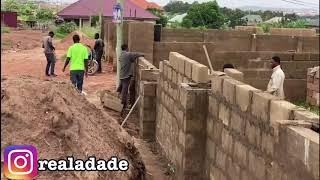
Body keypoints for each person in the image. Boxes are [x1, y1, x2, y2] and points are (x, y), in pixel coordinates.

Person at [118, 44, 144, 115]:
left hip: (122, 75)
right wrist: (143, 54)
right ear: (126, 48)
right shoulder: (128, 54)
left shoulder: (121, 55)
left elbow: (131, 60)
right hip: (126, 76)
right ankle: (122, 106)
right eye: (128, 48)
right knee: (125, 91)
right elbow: (136, 54)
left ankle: (118, 98)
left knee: (121, 88)